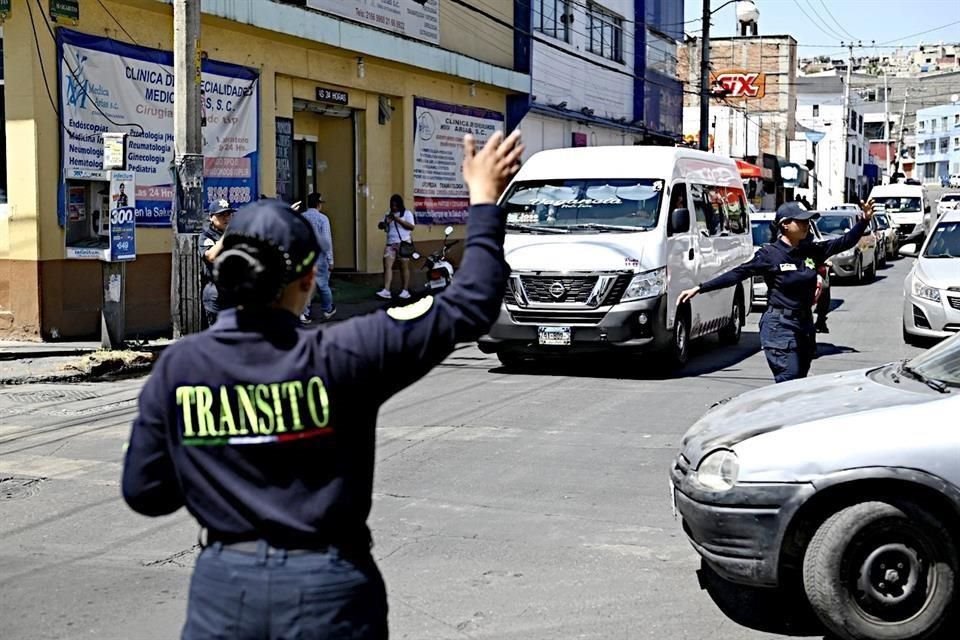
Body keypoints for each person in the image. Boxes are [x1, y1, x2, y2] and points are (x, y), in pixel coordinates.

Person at [121, 129, 524, 639]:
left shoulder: (179, 367)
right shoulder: (344, 352)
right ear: (309, 281)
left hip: (225, 593)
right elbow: (470, 304)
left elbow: (145, 493)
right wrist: (484, 199)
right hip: (328, 594)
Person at [677, 200, 875, 383]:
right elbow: (738, 274)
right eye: (801, 221)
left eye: (808, 221)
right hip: (779, 326)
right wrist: (701, 288)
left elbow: (845, 241)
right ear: (785, 225)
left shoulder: (811, 251)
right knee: (789, 380)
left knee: (799, 381)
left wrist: (864, 220)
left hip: (804, 325)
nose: (807, 225)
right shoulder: (770, 255)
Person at [299, 192, 336, 324]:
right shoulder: (323, 219)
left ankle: (303, 313)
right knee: (323, 286)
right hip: (319, 257)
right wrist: (331, 260)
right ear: (319, 204)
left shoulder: (301, 217)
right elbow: (326, 241)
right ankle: (327, 309)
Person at [199, 199, 236, 327]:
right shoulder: (206, 236)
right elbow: (211, 256)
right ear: (211, 217)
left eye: (228, 214)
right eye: (221, 215)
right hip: (216, 293)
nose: (226, 218)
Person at [376, 194, 416, 300]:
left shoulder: (407, 213)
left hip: (403, 244)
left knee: (404, 267)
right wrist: (386, 222)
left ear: (400, 205)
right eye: (392, 205)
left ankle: (405, 290)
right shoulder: (388, 214)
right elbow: (380, 226)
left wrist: (398, 220)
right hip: (390, 244)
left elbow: (411, 227)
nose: (394, 207)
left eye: (396, 205)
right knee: (387, 266)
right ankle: (386, 290)